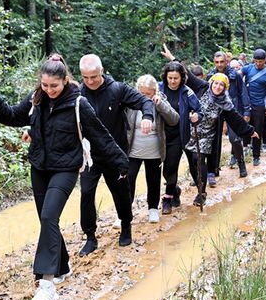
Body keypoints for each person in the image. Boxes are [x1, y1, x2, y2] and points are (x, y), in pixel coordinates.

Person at [0, 55, 129, 300]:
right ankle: (62, 266)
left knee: (50, 216)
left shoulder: (78, 103)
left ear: (65, 81)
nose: (49, 90)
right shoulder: (36, 99)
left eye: (54, 86)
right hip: (39, 167)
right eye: (45, 85)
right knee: (45, 218)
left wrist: (122, 162)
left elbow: (100, 136)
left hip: (66, 168)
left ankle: (47, 284)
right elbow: (13, 117)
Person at [77, 54, 155, 255]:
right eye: (86, 77)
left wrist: (147, 117)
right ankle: (90, 237)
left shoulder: (117, 89)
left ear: (101, 71)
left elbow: (145, 102)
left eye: (94, 76)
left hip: (115, 153)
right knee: (86, 193)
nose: (90, 81)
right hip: (90, 155)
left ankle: (126, 226)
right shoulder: (77, 94)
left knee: (121, 192)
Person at [183, 72, 259, 203]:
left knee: (198, 158)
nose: (218, 87)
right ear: (211, 82)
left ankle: (202, 193)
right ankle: (199, 186)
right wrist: (172, 58)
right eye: (216, 83)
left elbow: (236, 120)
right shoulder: (202, 88)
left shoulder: (225, 103)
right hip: (191, 132)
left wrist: (249, 131)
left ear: (225, 88)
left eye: (221, 85)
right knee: (192, 164)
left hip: (207, 136)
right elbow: (187, 75)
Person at [127, 75, 179, 223]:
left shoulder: (161, 100)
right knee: (128, 180)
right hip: (133, 150)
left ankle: (153, 209)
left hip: (154, 150)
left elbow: (174, 120)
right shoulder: (131, 102)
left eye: (148, 94)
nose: (145, 97)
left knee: (153, 180)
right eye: (142, 94)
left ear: (154, 91)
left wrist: (161, 105)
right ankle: (124, 212)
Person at [157, 57, 202, 214]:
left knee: (192, 164)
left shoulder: (186, 92)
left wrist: (196, 116)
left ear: (182, 78)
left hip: (182, 134)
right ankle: (174, 192)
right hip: (163, 134)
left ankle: (172, 198)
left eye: (176, 78)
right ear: (165, 77)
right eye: (170, 78)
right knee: (168, 168)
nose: (173, 81)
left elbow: (199, 110)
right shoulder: (159, 89)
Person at [205, 51, 249, 187]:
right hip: (215, 113)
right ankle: (213, 170)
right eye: (217, 62)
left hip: (231, 110)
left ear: (226, 61)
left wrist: (246, 110)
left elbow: (242, 93)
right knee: (214, 142)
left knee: (234, 139)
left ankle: (241, 163)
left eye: (222, 62)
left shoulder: (234, 75)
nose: (219, 65)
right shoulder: (211, 75)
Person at [240, 49, 266, 167]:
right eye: (257, 61)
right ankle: (245, 148)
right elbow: (238, 75)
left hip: (260, 105)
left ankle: (256, 156)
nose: (259, 64)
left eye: (261, 61)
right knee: (244, 126)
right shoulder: (248, 68)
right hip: (246, 104)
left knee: (258, 129)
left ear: (265, 60)